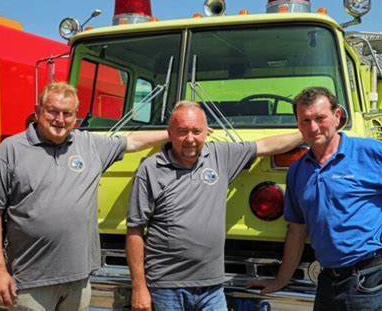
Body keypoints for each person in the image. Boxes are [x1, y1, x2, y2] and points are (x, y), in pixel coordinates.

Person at [246, 87, 382, 310]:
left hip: (369, 281)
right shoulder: (298, 171)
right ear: (298, 124)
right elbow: (296, 231)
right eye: (305, 120)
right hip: (327, 281)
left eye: (320, 118)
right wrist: (280, 280)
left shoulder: (369, 153)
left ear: (337, 116)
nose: (313, 127)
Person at [0, 82, 168, 310]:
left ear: (75, 116)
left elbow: (134, 141)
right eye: (53, 111)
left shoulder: (88, 144)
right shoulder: (11, 150)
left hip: (79, 281)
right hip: (29, 282)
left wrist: (175, 132)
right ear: (38, 112)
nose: (60, 119)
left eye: (67, 113)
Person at [126, 101, 303, 311]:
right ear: (170, 133)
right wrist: (139, 287)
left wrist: (307, 132)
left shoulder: (220, 155)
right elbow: (135, 229)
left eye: (196, 131)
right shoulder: (151, 168)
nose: (190, 139)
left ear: (206, 132)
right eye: (182, 132)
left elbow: (265, 145)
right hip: (166, 287)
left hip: (212, 288)